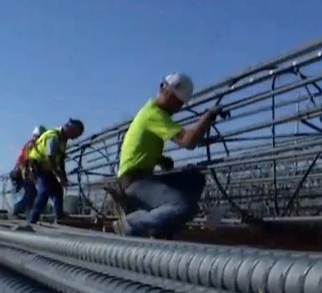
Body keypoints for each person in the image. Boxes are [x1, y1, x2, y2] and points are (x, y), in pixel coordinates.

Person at [110, 72, 221, 238]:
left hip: (140, 179)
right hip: (134, 184)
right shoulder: (154, 114)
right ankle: (132, 223)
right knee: (184, 206)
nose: (178, 108)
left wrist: (160, 159)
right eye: (178, 103)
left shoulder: (149, 112)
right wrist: (209, 116)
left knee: (196, 178)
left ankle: (162, 225)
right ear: (167, 92)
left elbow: (137, 149)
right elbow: (187, 141)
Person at [22, 119, 85, 224]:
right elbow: (50, 158)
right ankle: (32, 218)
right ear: (70, 128)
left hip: (46, 167)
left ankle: (59, 216)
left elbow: (60, 160)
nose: (75, 138)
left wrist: (63, 176)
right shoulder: (53, 136)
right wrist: (58, 175)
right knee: (44, 190)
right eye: (76, 134)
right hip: (37, 165)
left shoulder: (63, 140)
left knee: (57, 190)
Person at [9, 126, 46, 217]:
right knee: (31, 192)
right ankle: (18, 209)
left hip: (22, 172)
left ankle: (28, 212)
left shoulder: (29, 144)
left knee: (32, 193)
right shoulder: (32, 146)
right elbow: (28, 160)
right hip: (24, 172)